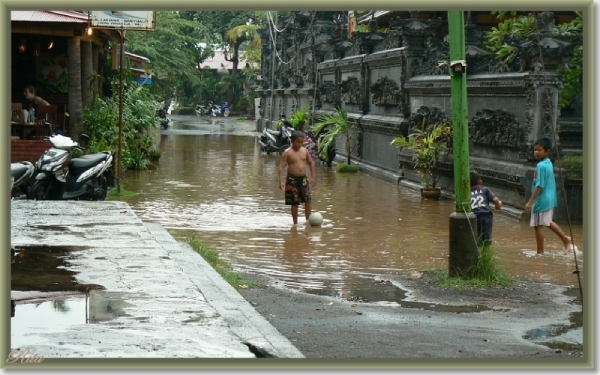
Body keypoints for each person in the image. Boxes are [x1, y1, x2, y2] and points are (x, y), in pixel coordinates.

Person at [524, 137, 573, 254]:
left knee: (538, 225)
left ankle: (540, 252)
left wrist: (530, 202)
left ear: (547, 151)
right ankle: (565, 239)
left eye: (539, 150)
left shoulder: (541, 166)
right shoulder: (548, 163)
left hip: (541, 199)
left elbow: (539, 186)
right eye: (535, 150)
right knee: (547, 221)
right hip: (549, 198)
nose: (536, 152)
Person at [279, 130, 316, 225]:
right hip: (292, 180)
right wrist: (281, 181)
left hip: (303, 179)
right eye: (297, 142)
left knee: (308, 200)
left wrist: (313, 177)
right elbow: (281, 167)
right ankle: (295, 224)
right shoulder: (287, 152)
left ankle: (308, 221)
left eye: (301, 142)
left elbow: (311, 163)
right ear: (292, 141)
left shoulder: (305, 151)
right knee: (294, 203)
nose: (300, 144)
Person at [470, 170, 502, 247]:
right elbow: (495, 200)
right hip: (486, 216)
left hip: (474, 217)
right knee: (487, 239)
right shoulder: (485, 189)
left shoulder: (467, 192)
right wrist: (498, 206)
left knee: (476, 237)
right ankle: (486, 255)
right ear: (480, 182)